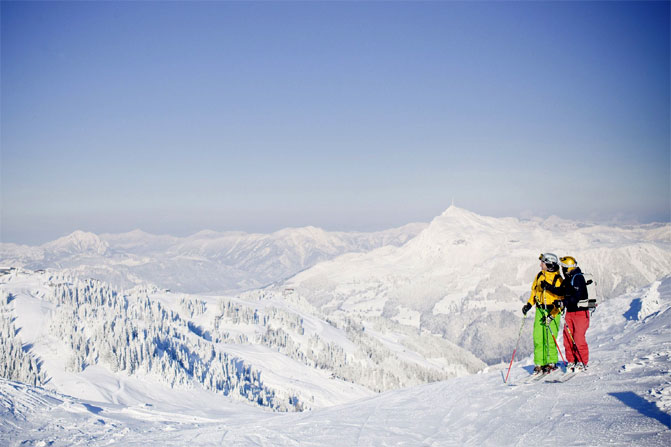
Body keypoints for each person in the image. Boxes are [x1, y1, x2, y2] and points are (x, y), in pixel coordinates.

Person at [542, 256, 590, 372]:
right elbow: (561, 291)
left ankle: (581, 361)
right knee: (568, 338)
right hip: (570, 312)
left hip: (580, 313)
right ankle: (571, 361)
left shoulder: (578, 278)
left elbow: (577, 296)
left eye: (564, 267)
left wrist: (564, 302)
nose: (562, 269)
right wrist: (548, 287)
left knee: (578, 338)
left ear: (568, 268)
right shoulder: (568, 279)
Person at [522, 253, 563, 374]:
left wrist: (552, 315)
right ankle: (540, 362)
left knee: (550, 337)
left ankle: (551, 362)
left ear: (549, 264)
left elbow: (560, 299)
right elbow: (534, 291)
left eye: (543, 263)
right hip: (540, 309)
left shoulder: (558, 279)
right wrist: (529, 304)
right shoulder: (539, 275)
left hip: (553, 310)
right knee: (538, 337)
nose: (540, 265)